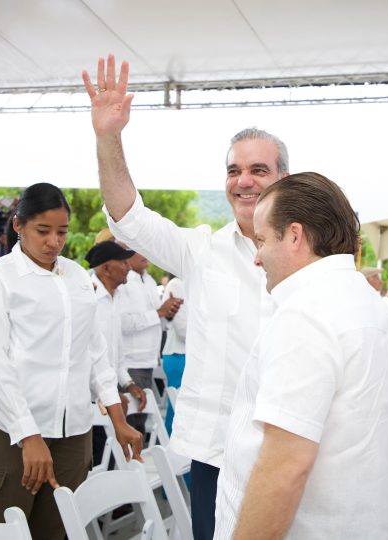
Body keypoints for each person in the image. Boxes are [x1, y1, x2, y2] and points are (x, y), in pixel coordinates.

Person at [83, 54, 289, 539]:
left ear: (284, 178)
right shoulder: (202, 249)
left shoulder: (311, 257)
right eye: (234, 170)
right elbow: (126, 215)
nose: (244, 181)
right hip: (215, 450)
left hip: (287, 449)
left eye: (259, 169)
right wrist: (108, 136)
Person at [214, 172, 388, 538]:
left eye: (263, 240)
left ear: (295, 236)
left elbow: (285, 469)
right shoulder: (366, 300)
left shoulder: (307, 313)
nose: (257, 257)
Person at [0, 183, 142, 540]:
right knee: (3, 532)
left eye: (61, 232)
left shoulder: (76, 275)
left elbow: (94, 349)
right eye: (42, 231)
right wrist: (27, 434)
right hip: (10, 433)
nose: (53, 242)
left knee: (56, 530)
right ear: (18, 225)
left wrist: (116, 416)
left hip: (73, 433)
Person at [85, 240, 148, 464]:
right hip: (89, 402)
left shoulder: (117, 298)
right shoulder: (87, 297)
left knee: (114, 462)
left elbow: (116, 356)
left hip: (107, 396)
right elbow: (86, 358)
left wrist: (129, 383)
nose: (128, 267)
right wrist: (108, 395)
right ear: (106, 268)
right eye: (122, 262)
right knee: (94, 465)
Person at [118, 249, 182, 434]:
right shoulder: (124, 282)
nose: (145, 255)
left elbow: (157, 321)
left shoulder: (150, 281)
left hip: (148, 360)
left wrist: (168, 313)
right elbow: (124, 323)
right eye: (138, 251)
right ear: (126, 255)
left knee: (140, 421)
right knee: (131, 422)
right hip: (130, 361)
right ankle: (126, 463)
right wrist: (159, 313)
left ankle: (134, 461)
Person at [161, 274, 187, 434]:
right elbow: (182, 329)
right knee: (178, 410)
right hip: (178, 355)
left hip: (188, 355)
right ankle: (170, 453)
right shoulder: (177, 284)